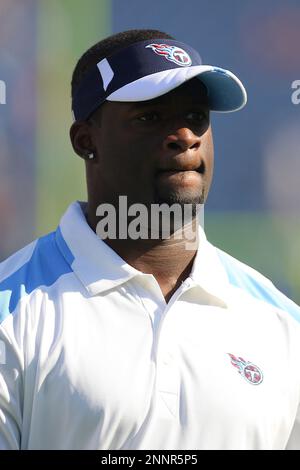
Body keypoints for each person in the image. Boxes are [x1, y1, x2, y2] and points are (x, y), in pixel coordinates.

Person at [1, 28, 300, 451]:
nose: (185, 136)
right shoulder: (12, 314)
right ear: (86, 141)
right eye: (150, 118)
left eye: (197, 118)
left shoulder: (284, 328)